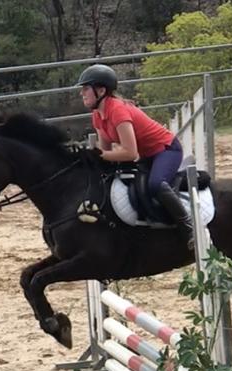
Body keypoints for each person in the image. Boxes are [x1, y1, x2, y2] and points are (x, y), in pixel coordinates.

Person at [76, 63, 194, 249]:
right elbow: (106, 151)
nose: (81, 93)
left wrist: (100, 154)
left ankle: (189, 228)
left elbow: (131, 153)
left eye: (85, 89)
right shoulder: (97, 115)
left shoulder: (117, 111)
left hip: (166, 150)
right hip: (146, 155)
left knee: (155, 185)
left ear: (100, 90)